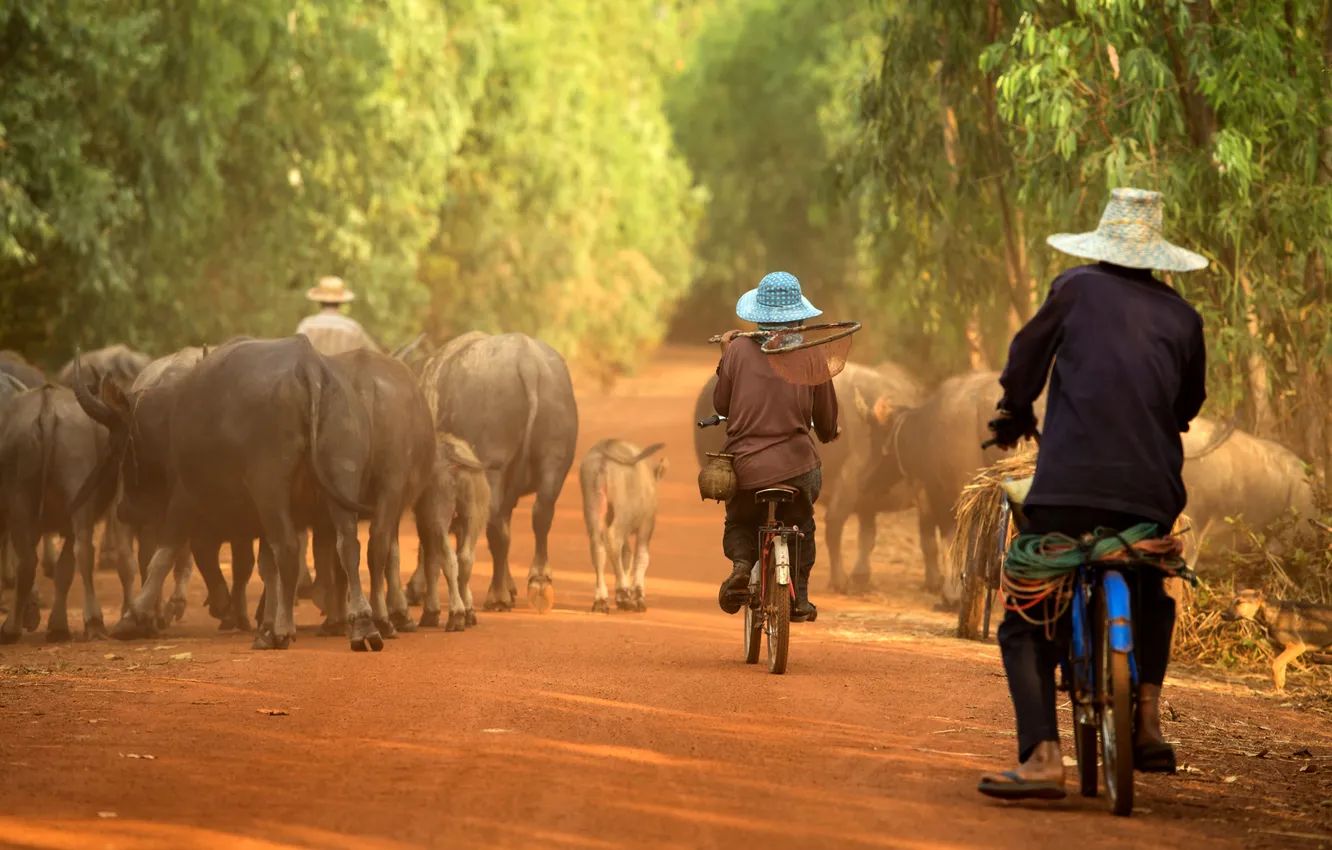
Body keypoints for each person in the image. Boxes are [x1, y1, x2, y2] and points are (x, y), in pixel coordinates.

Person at [977, 187, 1208, 800]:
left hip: (1068, 487)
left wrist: (1015, 409)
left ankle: (1044, 757)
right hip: (1151, 493)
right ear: (1158, 254)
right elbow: (1189, 404)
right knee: (1152, 583)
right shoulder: (1184, 318)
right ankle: (1150, 720)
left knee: (1026, 614)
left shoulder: (1075, 288)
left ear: (1103, 243)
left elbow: (1026, 356)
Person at [713, 271, 839, 623]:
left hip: (747, 467)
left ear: (758, 314)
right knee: (803, 525)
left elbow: (721, 406)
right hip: (799, 469)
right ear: (798, 315)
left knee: (738, 521)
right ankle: (799, 597)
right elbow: (827, 422)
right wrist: (829, 433)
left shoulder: (738, 349)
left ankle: (742, 564)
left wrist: (725, 355)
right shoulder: (812, 352)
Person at [295, 276, 382, 355]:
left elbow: (294, 354)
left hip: (311, 372)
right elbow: (376, 356)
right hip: (345, 372)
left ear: (319, 302)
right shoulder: (352, 328)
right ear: (340, 302)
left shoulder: (306, 326)